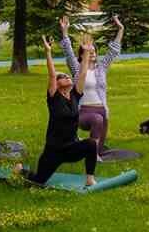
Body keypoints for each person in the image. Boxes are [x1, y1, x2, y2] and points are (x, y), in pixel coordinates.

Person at [21, 36, 98, 187]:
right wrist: (48, 52)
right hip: (53, 150)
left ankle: (90, 178)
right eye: (62, 77)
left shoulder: (75, 95)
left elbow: (82, 74)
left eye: (68, 76)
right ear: (56, 84)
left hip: (71, 148)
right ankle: (21, 170)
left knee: (90, 144)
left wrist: (87, 53)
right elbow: (51, 74)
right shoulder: (54, 98)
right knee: (38, 181)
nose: (67, 77)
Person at [60, 14, 122, 156]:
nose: (92, 53)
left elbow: (113, 52)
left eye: (94, 51)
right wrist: (65, 32)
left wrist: (120, 29)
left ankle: (87, 148)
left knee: (98, 150)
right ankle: (88, 150)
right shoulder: (77, 68)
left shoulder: (101, 68)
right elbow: (68, 53)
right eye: (89, 51)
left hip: (102, 111)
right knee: (96, 121)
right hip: (83, 112)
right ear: (82, 55)